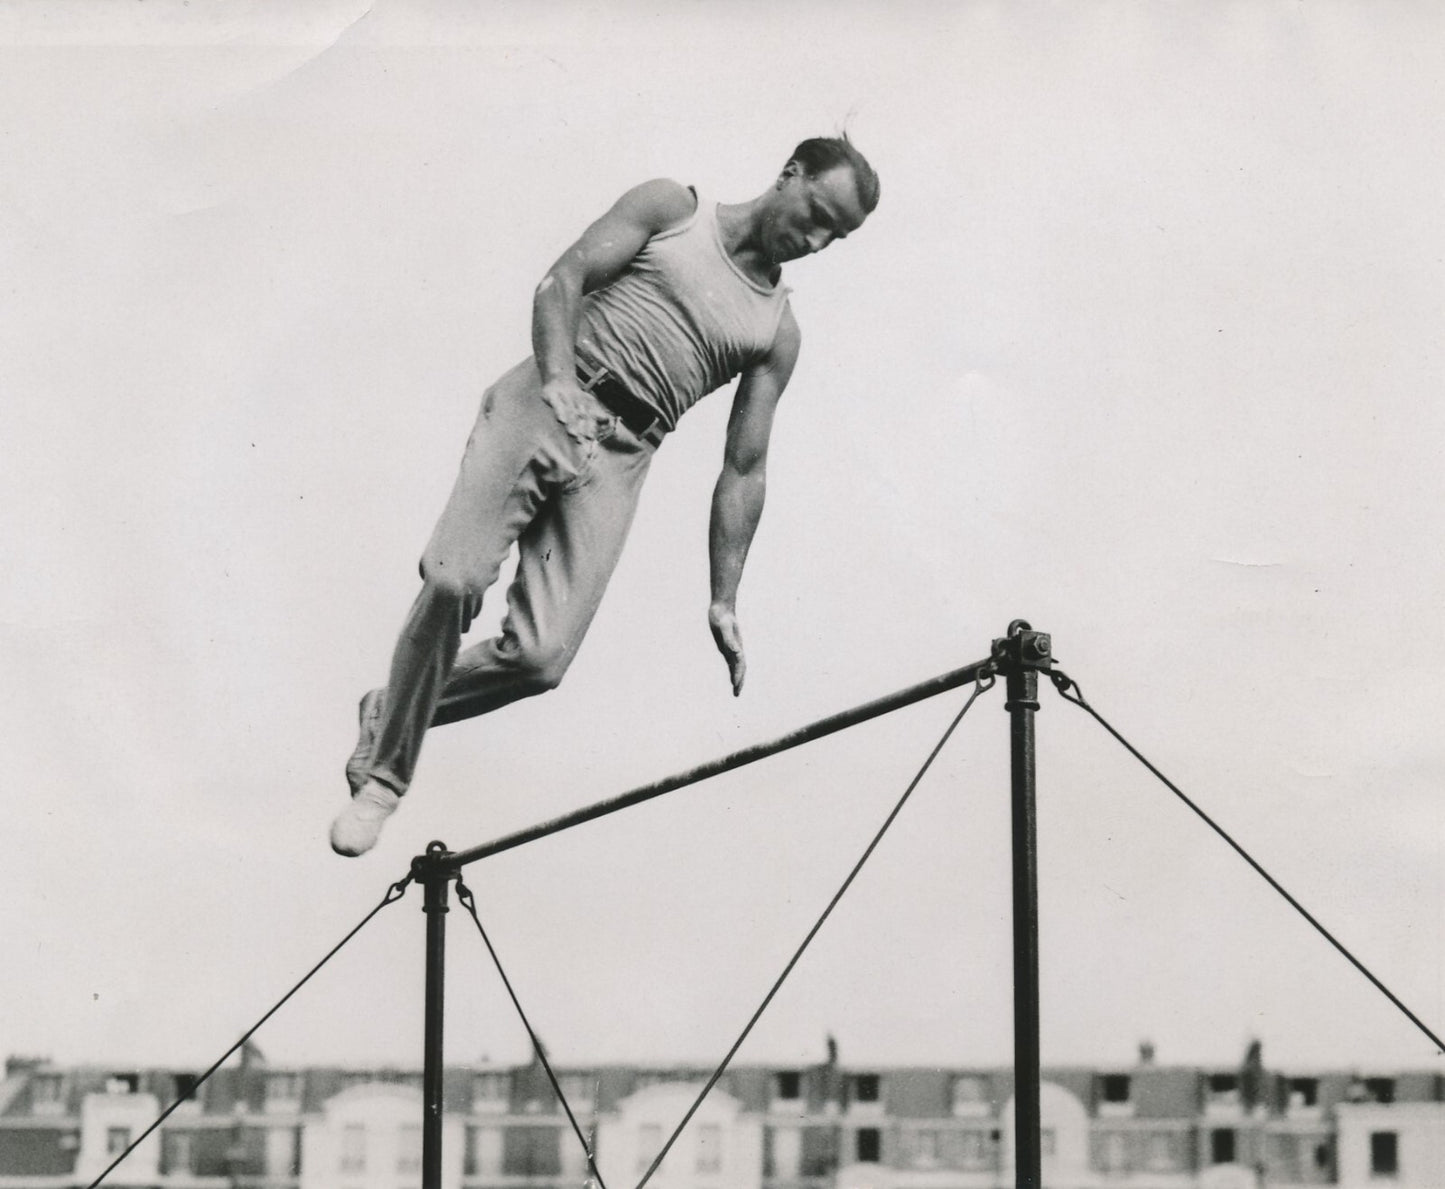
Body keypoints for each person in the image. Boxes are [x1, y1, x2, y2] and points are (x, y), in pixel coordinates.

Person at [330, 136, 880, 856]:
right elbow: (563, 279)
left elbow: (744, 467)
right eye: (817, 215)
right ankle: (384, 780)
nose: (814, 242)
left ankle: (390, 708)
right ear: (790, 174)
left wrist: (724, 597)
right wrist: (558, 378)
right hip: (551, 397)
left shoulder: (775, 330)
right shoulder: (673, 210)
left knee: (540, 658)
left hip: (623, 455)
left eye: (834, 237)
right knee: (453, 579)